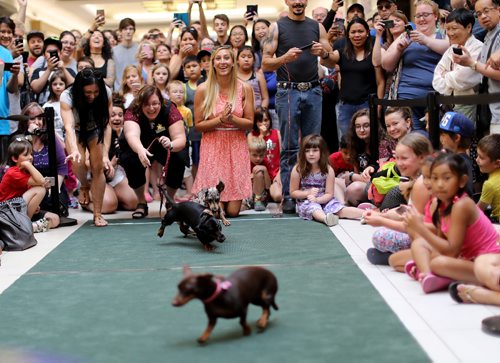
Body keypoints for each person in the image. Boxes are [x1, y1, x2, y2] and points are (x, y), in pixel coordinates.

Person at [262, 0, 333, 213]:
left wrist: (324, 53)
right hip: (288, 91)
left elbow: (331, 61)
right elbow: (265, 63)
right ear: (287, 1)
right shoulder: (276, 27)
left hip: (313, 89)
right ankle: (289, 197)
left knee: (314, 146)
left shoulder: (317, 26)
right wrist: (284, 58)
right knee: (290, 146)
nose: (299, 2)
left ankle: (316, 194)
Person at [404, 152, 500, 293]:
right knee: (419, 246)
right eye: (434, 178)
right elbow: (440, 244)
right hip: (466, 258)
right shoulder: (441, 204)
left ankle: (433, 274)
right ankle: (432, 275)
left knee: (437, 263)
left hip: (486, 262)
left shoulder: (462, 205)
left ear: (462, 181)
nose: (440, 184)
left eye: (447, 178)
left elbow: (451, 251)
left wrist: (420, 227)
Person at [192, 46, 254, 218]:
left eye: (227, 58)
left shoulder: (245, 88)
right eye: (218, 59)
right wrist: (220, 119)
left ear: (233, 62)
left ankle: (239, 202)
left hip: (236, 143)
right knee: (217, 212)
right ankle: (206, 202)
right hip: (213, 143)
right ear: (212, 63)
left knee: (232, 213)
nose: (223, 62)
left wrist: (232, 119)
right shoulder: (203, 89)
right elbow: (198, 125)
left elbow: (249, 123)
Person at [365, 136, 434, 266]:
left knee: (379, 236)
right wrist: (384, 215)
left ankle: (415, 257)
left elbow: (415, 227)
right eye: (397, 158)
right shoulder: (415, 180)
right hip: (423, 233)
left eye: (404, 158)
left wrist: (381, 220)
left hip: (426, 238)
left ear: (421, 157)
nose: (399, 163)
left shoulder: (421, 184)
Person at [120, 85, 186, 219]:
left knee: (179, 158)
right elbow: (131, 135)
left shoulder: (170, 108)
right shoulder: (133, 110)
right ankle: (141, 202)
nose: (151, 108)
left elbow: (180, 138)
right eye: (146, 104)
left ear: (161, 102)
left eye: (155, 103)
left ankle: (170, 201)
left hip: (165, 143)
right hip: (138, 144)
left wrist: (171, 144)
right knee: (130, 160)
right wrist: (140, 150)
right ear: (140, 104)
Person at [382, 0, 449, 129]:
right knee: (413, 141)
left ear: (435, 16)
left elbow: (449, 48)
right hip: (407, 99)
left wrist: (426, 40)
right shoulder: (405, 35)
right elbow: (386, 65)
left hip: (437, 100)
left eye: (425, 15)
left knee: (436, 141)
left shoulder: (444, 36)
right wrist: (399, 49)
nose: (421, 19)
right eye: (418, 16)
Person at [61, 68, 112, 227]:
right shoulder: (67, 96)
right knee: (78, 161)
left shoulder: (106, 92)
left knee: (98, 168)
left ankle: (97, 214)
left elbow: (107, 125)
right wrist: (74, 149)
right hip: (75, 130)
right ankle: (83, 185)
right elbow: (68, 127)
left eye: (95, 92)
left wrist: (105, 155)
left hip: (95, 129)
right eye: (87, 92)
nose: (92, 96)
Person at [321, 17, 385, 138]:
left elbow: (380, 82)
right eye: (353, 32)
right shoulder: (341, 52)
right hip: (345, 106)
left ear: (367, 33)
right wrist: (323, 53)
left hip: (367, 105)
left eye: (360, 31)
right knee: (346, 143)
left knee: (369, 141)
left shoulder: (374, 53)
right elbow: (327, 60)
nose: (357, 35)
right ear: (348, 35)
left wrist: (379, 107)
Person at [290, 134, 364, 227]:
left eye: (315, 150)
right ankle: (326, 219)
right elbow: (293, 192)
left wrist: (318, 199)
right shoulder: (298, 169)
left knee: (339, 209)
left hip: (324, 199)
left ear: (322, 152)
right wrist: (307, 193)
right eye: (307, 151)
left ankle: (366, 214)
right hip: (307, 201)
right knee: (314, 208)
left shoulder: (328, 170)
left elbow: (329, 194)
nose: (311, 154)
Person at [452, 0, 500, 135]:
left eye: (486, 11)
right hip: (490, 108)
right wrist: (470, 61)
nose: (483, 16)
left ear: (498, 10)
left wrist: (471, 63)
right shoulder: (488, 35)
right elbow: (485, 70)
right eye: (478, 14)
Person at [432, 8, 483, 120]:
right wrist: (452, 77)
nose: (450, 33)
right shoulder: (452, 48)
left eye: (454, 28)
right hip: (448, 103)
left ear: (468, 27)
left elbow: (464, 80)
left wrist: (446, 75)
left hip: (468, 103)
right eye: (447, 29)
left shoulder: (478, 48)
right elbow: (436, 79)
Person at [345, 109, 395, 206]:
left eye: (366, 126)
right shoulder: (356, 143)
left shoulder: (383, 143)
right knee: (336, 181)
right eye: (358, 127)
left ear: (374, 126)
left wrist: (352, 177)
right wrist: (352, 176)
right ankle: (342, 205)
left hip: (378, 185)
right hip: (362, 181)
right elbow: (356, 171)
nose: (362, 130)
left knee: (353, 188)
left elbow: (380, 175)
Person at [0, 137, 47, 223]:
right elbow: (41, 181)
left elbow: (38, 183)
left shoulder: (26, 171)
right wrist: (28, 165)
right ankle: (25, 226)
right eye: (26, 155)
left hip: (18, 209)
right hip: (5, 211)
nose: (30, 157)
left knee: (54, 219)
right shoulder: (12, 173)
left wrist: (34, 205)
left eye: (31, 154)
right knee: (40, 189)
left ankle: (33, 226)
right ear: (15, 158)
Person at [439, 111, 475, 196]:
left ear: (456, 138)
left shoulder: (460, 163)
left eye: (443, 135)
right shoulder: (459, 159)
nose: (441, 138)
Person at [476, 133, 500, 223]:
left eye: (481, 158)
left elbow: (477, 211)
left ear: (497, 163)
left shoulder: (489, 184)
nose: (476, 160)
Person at [237, 46, 269, 110]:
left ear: (254, 60)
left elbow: (265, 98)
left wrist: (261, 112)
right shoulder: (233, 77)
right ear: (237, 60)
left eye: (249, 57)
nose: (246, 59)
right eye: (243, 57)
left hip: (257, 114)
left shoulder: (259, 76)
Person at [112, 18, 138, 91]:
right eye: (125, 29)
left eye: (131, 29)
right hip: (118, 91)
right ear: (120, 31)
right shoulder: (113, 51)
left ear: (134, 31)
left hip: (136, 90)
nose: (128, 31)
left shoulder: (139, 49)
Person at [42, 70, 68, 140]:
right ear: (51, 86)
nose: (58, 87)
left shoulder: (70, 103)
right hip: (54, 139)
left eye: (61, 84)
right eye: (55, 84)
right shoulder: (47, 106)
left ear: (66, 85)